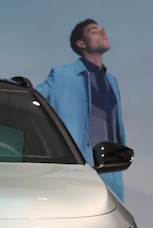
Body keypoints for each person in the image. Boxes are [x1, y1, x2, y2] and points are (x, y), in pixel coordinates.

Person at [36, 19, 127, 201]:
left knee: (117, 213)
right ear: (81, 43)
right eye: (94, 31)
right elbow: (32, 98)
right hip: (81, 163)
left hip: (113, 165)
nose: (102, 32)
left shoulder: (111, 79)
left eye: (102, 29)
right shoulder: (62, 75)